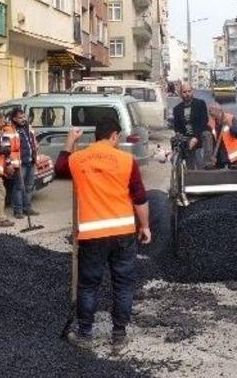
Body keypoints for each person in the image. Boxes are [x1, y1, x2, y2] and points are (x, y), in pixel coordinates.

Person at [57, 118, 151, 355]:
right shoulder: (127, 160)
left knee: (88, 286)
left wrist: (70, 141)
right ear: (114, 136)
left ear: (96, 135)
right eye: (118, 138)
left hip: (92, 235)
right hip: (123, 233)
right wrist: (145, 226)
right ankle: (119, 336)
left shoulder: (78, 159)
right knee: (123, 285)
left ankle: (85, 334)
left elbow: (59, 167)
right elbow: (140, 197)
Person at [5, 108, 39, 220]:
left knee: (29, 186)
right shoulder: (9, 129)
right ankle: (18, 210)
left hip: (31, 161)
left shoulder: (28, 127)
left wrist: (35, 156)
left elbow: (34, 142)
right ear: (14, 118)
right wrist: (9, 163)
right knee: (19, 187)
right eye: (20, 117)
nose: (23, 119)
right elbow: (6, 149)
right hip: (19, 163)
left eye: (23, 117)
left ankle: (27, 208)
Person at [171, 83, 212, 169]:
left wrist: (195, 137)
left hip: (200, 134)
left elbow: (204, 122)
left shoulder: (200, 104)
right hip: (187, 137)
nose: (187, 94)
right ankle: (189, 171)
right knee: (191, 165)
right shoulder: (177, 109)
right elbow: (177, 127)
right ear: (181, 94)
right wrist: (184, 138)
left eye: (189, 91)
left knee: (207, 134)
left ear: (192, 91)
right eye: (184, 92)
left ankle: (208, 163)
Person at [207, 102, 237, 169]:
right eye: (209, 112)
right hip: (219, 156)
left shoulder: (230, 118)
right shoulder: (211, 123)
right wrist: (212, 155)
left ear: (219, 111)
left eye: (211, 112)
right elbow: (212, 141)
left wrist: (230, 125)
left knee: (234, 173)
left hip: (233, 155)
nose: (210, 114)